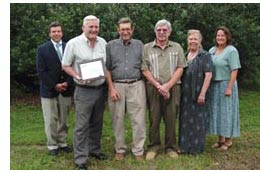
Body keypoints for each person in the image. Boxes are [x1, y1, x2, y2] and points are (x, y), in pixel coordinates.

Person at [62, 15, 107, 170]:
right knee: (82, 126)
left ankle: (94, 150)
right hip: (83, 91)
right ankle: (80, 159)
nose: (94, 30)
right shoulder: (73, 43)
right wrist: (77, 76)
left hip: (100, 89)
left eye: (96, 27)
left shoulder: (103, 43)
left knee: (97, 122)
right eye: (91, 27)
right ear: (83, 28)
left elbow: (106, 66)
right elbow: (65, 65)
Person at [141, 19, 186, 160]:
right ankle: (154, 146)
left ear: (170, 32)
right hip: (153, 88)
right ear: (155, 31)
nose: (161, 32)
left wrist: (167, 86)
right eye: (159, 30)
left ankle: (170, 147)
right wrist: (158, 85)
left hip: (173, 87)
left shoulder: (177, 47)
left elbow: (180, 68)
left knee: (171, 117)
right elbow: (144, 69)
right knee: (154, 118)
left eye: (164, 30)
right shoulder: (147, 48)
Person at [106, 17, 146, 161]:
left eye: (128, 29)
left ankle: (138, 150)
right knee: (118, 119)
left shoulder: (140, 45)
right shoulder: (110, 46)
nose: (125, 32)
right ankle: (120, 149)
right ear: (118, 30)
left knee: (139, 119)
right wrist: (111, 88)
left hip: (136, 84)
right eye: (122, 29)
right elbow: (107, 69)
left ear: (132, 29)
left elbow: (145, 66)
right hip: (117, 85)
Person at [36, 21, 74, 156]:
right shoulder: (42, 49)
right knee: (51, 120)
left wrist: (67, 83)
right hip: (49, 90)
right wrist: (54, 85)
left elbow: (73, 67)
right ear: (49, 33)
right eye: (53, 31)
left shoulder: (69, 47)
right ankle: (52, 145)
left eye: (58, 31)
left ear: (62, 32)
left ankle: (62, 142)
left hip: (66, 89)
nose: (56, 33)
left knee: (64, 119)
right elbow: (41, 71)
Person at [178, 30, 213, 155]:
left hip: (199, 93)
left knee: (198, 120)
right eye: (191, 39)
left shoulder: (205, 55)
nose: (193, 41)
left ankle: (196, 148)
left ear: (200, 41)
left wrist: (203, 93)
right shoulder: (184, 54)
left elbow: (208, 75)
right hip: (185, 94)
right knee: (185, 119)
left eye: (195, 39)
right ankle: (184, 147)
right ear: (188, 40)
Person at [209, 26, 241, 151]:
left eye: (222, 35)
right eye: (218, 35)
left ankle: (228, 140)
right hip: (214, 85)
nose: (220, 38)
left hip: (226, 84)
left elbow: (234, 70)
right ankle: (220, 139)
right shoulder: (212, 50)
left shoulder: (231, 50)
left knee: (227, 112)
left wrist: (229, 88)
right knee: (217, 112)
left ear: (227, 37)